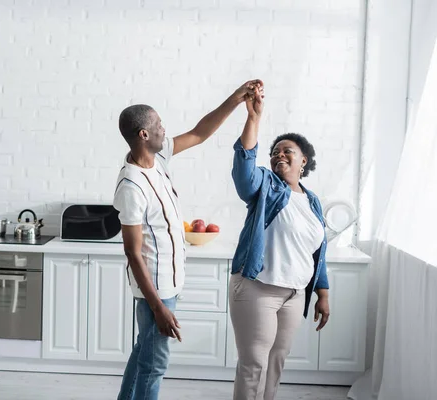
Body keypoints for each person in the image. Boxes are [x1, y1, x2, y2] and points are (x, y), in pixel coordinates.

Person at [113, 79, 263, 400]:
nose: (164, 129)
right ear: (144, 135)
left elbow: (200, 132)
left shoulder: (158, 159)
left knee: (144, 352)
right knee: (154, 365)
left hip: (168, 282)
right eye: (159, 125)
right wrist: (158, 308)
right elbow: (133, 253)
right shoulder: (132, 186)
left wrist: (237, 99)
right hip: (157, 289)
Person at [229, 84, 330, 400]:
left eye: (288, 150)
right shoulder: (265, 186)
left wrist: (322, 294)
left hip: (295, 295)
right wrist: (254, 119)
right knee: (253, 365)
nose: (279, 154)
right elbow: (243, 171)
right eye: (275, 152)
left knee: (275, 364)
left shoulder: (313, 202)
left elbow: (317, 253)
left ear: (304, 161)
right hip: (258, 288)